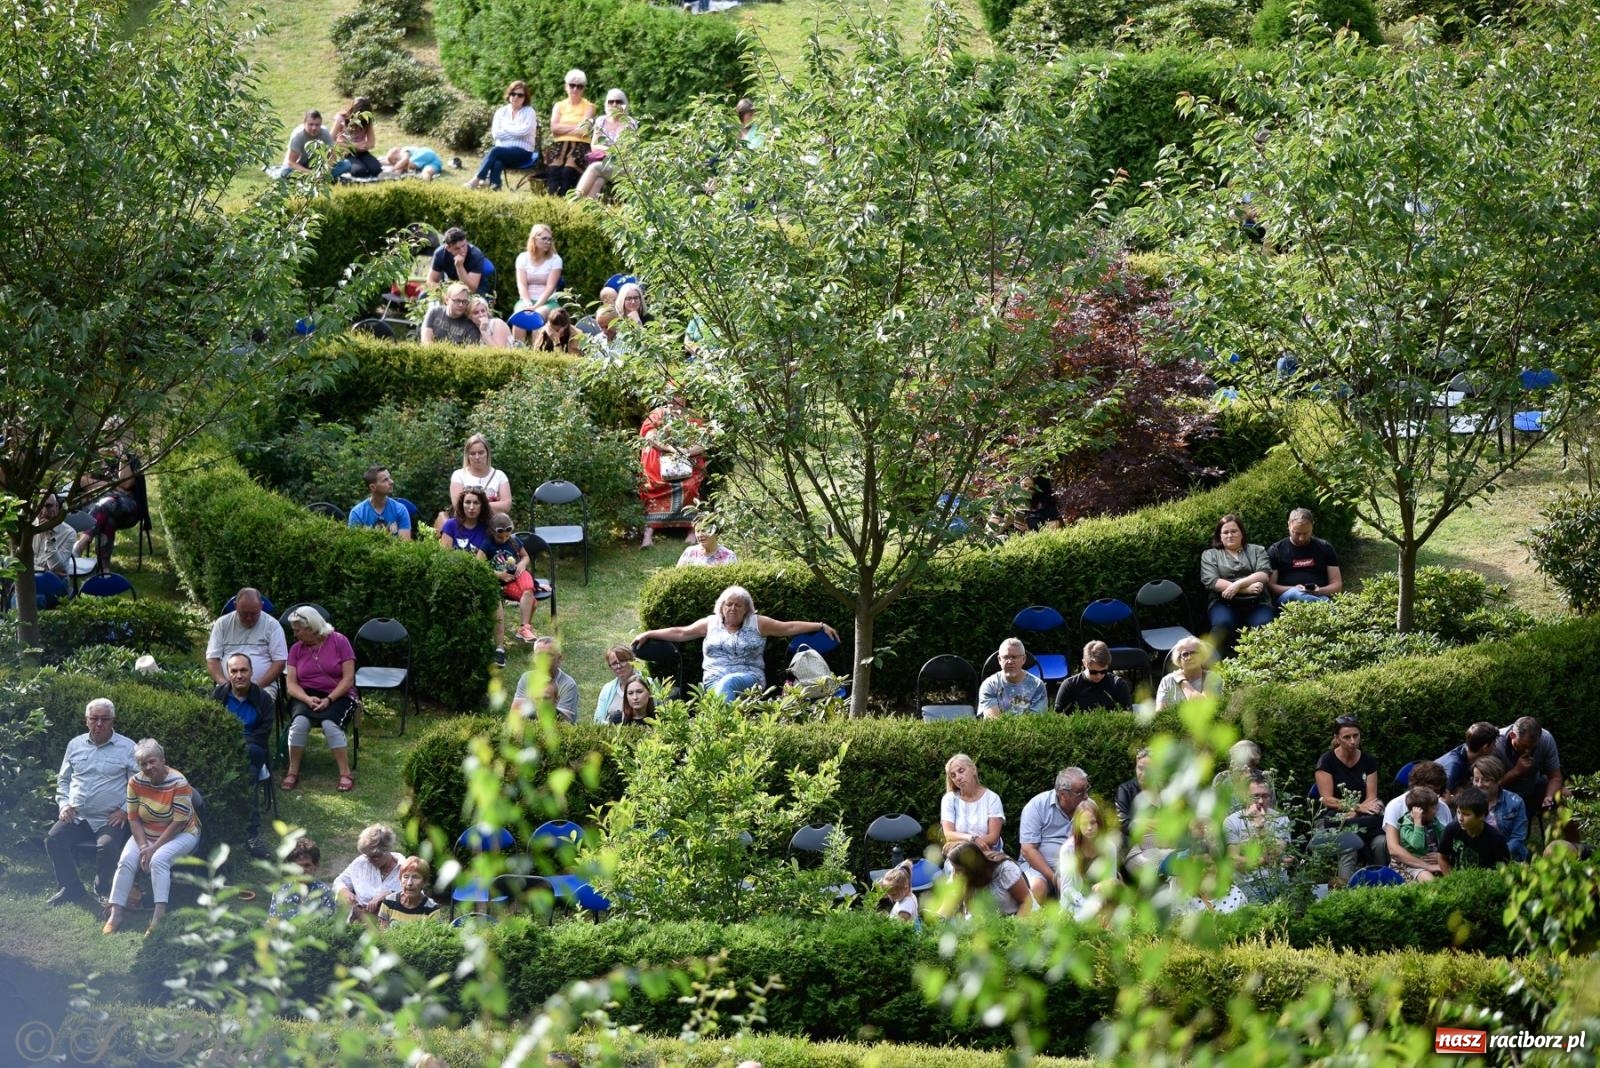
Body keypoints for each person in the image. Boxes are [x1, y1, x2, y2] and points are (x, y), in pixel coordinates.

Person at [633, 584, 839, 700]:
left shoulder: (757, 623)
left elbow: (787, 628)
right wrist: (650, 633)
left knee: (729, 683)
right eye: (728, 604)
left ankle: (724, 729)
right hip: (713, 681)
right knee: (723, 686)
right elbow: (681, 632)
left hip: (751, 679)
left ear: (747, 610)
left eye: (738, 605)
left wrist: (819, 625)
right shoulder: (710, 623)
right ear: (721, 607)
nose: (732, 608)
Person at [102, 739, 201, 935]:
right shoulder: (135, 782)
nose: (148, 767)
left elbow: (178, 822)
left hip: (182, 833)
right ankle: (116, 914)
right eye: (143, 764)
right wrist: (142, 847)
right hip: (146, 832)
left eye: (152, 761)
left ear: (163, 760)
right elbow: (133, 818)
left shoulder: (179, 782)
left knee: (159, 860)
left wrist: (153, 849)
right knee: (126, 861)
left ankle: (158, 917)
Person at [46, 699, 138, 907]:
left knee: (107, 846)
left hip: (109, 818)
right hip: (77, 816)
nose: (99, 724)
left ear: (113, 721)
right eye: (94, 718)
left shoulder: (128, 747)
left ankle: (102, 888)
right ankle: (71, 887)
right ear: (86, 720)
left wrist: (125, 810)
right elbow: (64, 780)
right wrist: (64, 804)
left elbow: (138, 785)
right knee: (53, 839)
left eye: (105, 719)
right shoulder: (75, 745)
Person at [938, 753, 1033, 916]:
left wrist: (967, 843)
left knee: (972, 875)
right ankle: (951, 918)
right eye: (953, 775)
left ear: (973, 769)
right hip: (959, 854)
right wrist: (972, 839)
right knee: (956, 869)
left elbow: (993, 837)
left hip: (989, 854)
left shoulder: (992, 798)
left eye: (961, 771)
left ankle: (972, 916)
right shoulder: (949, 799)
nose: (958, 777)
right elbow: (948, 834)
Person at [281, 606, 357, 794]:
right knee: (299, 723)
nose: (295, 634)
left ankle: (345, 773)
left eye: (298, 630)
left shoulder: (340, 641)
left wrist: (329, 699)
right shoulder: (296, 649)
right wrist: (307, 699)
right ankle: (292, 771)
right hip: (306, 695)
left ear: (312, 628)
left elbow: (348, 679)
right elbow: (291, 685)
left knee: (330, 724)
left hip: (338, 694)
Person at [213, 653, 274, 859]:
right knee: (248, 774)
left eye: (243, 670)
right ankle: (244, 833)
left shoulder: (263, 699)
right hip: (224, 748)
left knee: (248, 766)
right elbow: (209, 725)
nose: (239, 675)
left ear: (251, 672)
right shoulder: (218, 695)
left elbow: (264, 732)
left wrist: (239, 745)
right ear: (228, 673)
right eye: (234, 671)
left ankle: (249, 834)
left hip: (253, 748)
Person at [1312, 714, 1387, 883]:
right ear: (1337, 738)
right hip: (1333, 819)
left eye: (1356, 736)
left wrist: (1356, 812)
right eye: (1347, 737)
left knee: (1381, 842)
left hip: (1361, 818)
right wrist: (1356, 807)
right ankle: (1344, 890)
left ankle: (1382, 885)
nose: (1353, 741)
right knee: (1349, 845)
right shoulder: (1326, 761)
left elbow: (1372, 798)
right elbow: (1327, 799)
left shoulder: (1368, 761)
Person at [638, 402, 708, 548]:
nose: (676, 398)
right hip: (659, 464)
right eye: (673, 394)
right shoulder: (657, 414)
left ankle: (691, 529)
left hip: (687, 462)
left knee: (690, 486)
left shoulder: (693, 416)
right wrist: (671, 449)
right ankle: (648, 532)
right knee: (651, 484)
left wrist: (686, 452)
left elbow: (703, 442)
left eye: (679, 394)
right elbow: (650, 437)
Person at [1199, 513, 1274, 648]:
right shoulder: (1210, 555)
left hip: (1257, 602)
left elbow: (1264, 574)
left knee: (1263, 626)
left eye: (1234, 531)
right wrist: (1245, 590)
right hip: (1224, 602)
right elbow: (1211, 581)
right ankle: (1212, 660)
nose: (1230, 535)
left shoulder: (1257, 550)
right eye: (1225, 532)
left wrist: (1238, 584)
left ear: (1242, 533)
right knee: (1222, 625)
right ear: (1220, 536)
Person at [74, 441, 147, 571]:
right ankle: (104, 568)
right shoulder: (93, 458)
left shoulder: (130, 459)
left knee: (106, 504)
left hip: (127, 509)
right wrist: (112, 486)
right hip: (100, 509)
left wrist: (122, 458)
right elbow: (82, 481)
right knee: (106, 516)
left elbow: (126, 484)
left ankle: (81, 544)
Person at [1018, 767, 1089, 900]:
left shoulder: (1088, 807)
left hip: (1077, 867)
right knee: (1038, 887)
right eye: (1080, 792)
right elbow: (1028, 849)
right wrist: (1055, 878)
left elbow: (1098, 841)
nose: (1086, 796)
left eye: (1087, 789)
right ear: (1062, 794)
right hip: (1039, 868)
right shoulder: (1037, 806)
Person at [1222, 771, 1293, 902]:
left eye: (1265, 796)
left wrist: (1260, 828)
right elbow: (1235, 862)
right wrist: (1263, 860)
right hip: (1247, 883)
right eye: (1255, 796)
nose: (1261, 801)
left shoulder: (1281, 819)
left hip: (1277, 880)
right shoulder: (1232, 821)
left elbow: (1277, 852)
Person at [465, 80, 538, 191]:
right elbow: (496, 134)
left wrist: (506, 129)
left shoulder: (529, 112)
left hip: (523, 152)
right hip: (503, 152)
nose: (516, 97)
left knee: (496, 151)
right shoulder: (501, 112)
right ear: (509, 95)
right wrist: (515, 132)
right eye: (513, 94)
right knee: (497, 161)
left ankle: (477, 178)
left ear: (525, 97)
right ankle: (495, 187)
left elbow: (524, 131)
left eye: (520, 95)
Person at [1267, 507, 1344, 606]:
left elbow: (1337, 585)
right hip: (1287, 599)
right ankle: (1327, 607)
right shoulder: (1276, 550)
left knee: (1323, 598)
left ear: (1312, 526)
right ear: (1288, 525)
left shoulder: (1325, 548)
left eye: (1306, 533)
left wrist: (1319, 591)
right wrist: (1294, 589)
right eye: (1297, 533)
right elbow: (1271, 586)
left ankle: (1322, 604)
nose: (1301, 538)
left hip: (1319, 595)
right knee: (1295, 593)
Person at [1057, 800, 1119, 920]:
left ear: (1099, 823)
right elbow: (1067, 890)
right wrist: (1087, 905)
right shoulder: (1068, 850)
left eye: (1093, 823)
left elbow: (1111, 881)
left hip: (1101, 902)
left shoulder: (1109, 847)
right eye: (1084, 824)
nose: (1089, 828)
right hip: (1075, 906)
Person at [1115, 748, 1171, 877]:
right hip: (1135, 849)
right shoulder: (1125, 790)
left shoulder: (1164, 791)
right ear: (1136, 762)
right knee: (1157, 868)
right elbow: (1124, 824)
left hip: (1163, 846)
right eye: (1140, 768)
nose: (1144, 774)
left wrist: (1141, 822)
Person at [1492, 716, 1563, 817]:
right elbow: (1491, 786)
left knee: (1566, 796)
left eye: (1532, 747)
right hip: (1505, 793)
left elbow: (1555, 777)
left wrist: (1549, 796)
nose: (1527, 751)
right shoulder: (1496, 744)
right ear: (1512, 735)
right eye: (1523, 746)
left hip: (1533, 787)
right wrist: (1516, 771)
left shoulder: (1545, 739)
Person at [575, 89, 638, 200]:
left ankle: (574, 201)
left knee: (594, 168)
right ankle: (587, 209)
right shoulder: (601, 121)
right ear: (606, 104)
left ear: (625, 104)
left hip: (624, 167)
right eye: (611, 101)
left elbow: (625, 151)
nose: (614, 104)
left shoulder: (629, 123)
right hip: (605, 164)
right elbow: (594, 146)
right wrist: (612, 150)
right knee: (598, 180)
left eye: (618, 101)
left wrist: (605, 150)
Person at [487, 515, 540, 646]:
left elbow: (525, 557)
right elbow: (479, 565)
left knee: (528, 590)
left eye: (507, 536)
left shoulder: (514, 541)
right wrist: (498, 574)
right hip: (504, 581)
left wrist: (522, 564)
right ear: (492, 532)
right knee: (532, 601)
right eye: (500, 537)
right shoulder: (487, 544)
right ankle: (524, 629)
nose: (504, 539)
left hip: (519, 574)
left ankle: (524, 628)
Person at [336, 824, 404, 920]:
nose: (370, 860)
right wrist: (344, 891)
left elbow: (416, 898)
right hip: (360, 920)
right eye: (367, 856)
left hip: (392, 922)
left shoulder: (405, 868)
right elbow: (339, 881)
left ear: (387, 849)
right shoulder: (361, 863)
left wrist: (390, 894)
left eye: (375, 856)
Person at [1437, 786, 1511, 874]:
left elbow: (1504, 869)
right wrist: (1451, 878)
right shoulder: (1451, 829)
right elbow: (1442, 857)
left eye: (1466, 814)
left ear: (1481, 816)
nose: (1460, 818)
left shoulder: (1496, 839)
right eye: (1458, 812)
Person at [545, 69, 595, 197]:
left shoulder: (589, 107)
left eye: (579, 86)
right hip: (560, 145)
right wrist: (576, 127)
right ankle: (552, 200)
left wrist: (563, 128)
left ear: (583, 89)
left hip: (581, 145)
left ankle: (568, 202)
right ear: (566, 87)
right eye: (572, 85)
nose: (575, 89)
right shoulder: (559, 106)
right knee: (555, 169)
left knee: (568, 170)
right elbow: (554, 128)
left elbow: (584, 130)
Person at [1470, 754, 1529, 860]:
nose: (1479, 784)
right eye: (1476, 779)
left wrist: (1498, 854)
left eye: (1486, 780)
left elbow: (1518, 838)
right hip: (1477, 859)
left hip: (1510, 858)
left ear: (1499, 780)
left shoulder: (1515, 802)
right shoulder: (1467, 802)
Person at [446, 433, 514, 524]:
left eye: (481, 453)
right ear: (467, 455)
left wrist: (473, 504)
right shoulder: (458, 475)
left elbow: (506, 506)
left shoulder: (500, 476)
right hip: (466, 526)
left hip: (492, 526)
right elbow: (458, 506)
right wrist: (491, 504)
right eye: (472, 453)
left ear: (487, 453)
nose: (477, 457)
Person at [1381, 760, 1453, 842]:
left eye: (1436, 791)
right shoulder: (1395, 806)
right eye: (1428, 789)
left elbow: (1449, 841)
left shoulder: (1443, 808)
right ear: (1416, 785)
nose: (1431, 794)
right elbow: (1393, 846)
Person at [1386, 785, 1447, 883]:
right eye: (1433, 808)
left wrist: (1440, 856)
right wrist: (1418, 823)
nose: (1436, 811)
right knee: (1429, 880)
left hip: (1431, 861)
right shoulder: (1407, 826)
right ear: (1421, 812)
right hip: (1411, 865)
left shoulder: (1433, 820)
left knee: (1450, 874)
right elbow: (1418, 845)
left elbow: (1444, 837)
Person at [512, 637, 580, 722]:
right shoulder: (527, 678)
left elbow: (565, 721)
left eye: (549, 655)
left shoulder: (568, 684)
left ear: (559, 658)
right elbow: (515, 712)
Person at [1054, 641, 1133, 713]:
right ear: (1084, 663)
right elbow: (1058, 716)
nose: (1099, 676)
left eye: (1103, 671)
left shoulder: (1118, 684)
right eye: (1093, 672)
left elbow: (1128, 713)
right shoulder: (1069, 686)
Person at [269, 837, 337, 920]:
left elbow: (330, 923)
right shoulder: (280, 892)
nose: (302, 870)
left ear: (316, 866)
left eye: (307, 865)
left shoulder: (324, 893)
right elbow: (272, 921)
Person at [514, 224, 565, 335]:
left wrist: (536, 306)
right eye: (544, 238)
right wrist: (527, 303)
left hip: (548, 302)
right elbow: (521, 284)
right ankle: (518, 346)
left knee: (537, 316)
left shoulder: (556, 260)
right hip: (526, 300)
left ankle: (537, 346)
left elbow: (550, 288)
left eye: (549, 239)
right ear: (534, 239)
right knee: (519, 317)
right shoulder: (522, 258)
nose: (547, 242)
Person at [978, 638, 1048, 718]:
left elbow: (1036, 720)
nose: (1010, 661)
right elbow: (993, 720)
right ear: (999, 660)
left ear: (1023, 659)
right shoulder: (990, 685)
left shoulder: (1037, 685)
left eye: (1014, 657)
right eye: (1006, 657)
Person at [346, 465, 414, 540]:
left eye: (389, 478)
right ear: (373, 487)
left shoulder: (400, 509)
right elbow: (355, 544)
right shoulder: (357, 513)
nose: (391, 482)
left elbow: (405, 544)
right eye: (385, 480)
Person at [1154, 636, 1220, 711]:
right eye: (1185, 654)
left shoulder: (1213, 678)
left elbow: (1204, 708)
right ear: (1179, 660)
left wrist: (1182, 681)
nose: (1189, 657)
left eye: (1194, 653)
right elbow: (1160, 713)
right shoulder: (1167, 681)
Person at [1435, 721, 1501, 797]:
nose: (1495, 748)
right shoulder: (1454, 766)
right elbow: (1441, 798)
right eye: (1493, 744)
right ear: (1485, 747)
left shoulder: (1468, 753)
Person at [378, 856, 440, 926]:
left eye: (415, 877)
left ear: (424, 882)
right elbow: (383, 931)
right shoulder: (389, 902)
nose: (409, 883)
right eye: (406, 877)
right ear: (400, 880)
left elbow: (433, 932)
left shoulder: (432, 909)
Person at [330, 97, 381, 181]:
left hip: (361, 152)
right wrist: (355, 146)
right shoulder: (341, 118)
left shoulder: (367, 121)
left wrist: (349, 145)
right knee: (360, 171)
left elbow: (371, 144)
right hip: (346, 153)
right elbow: (330, 140)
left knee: (376, 169)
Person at [427, 227, 489, 293]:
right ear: (448, 248)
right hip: (450, 288)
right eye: (457, 248)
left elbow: (472, 289)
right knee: (424, 295)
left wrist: (459, 267)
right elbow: (430, 281)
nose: (462, 251)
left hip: (476, 290)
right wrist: (442, 294)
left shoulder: (476, 255)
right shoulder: (440, 253)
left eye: (464, 245)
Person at [273, 109, 333, 177]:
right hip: (298, 165)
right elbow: (291, 162)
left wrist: (326, 171)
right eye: (311, 124)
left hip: (315, 164)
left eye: (317, 125)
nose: (314, 128)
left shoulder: (325, 132)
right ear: (304, 124)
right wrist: (312, 173)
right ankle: (273, 171)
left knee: (343, 165)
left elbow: (332, 156)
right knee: (284, 173)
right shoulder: (298, 135)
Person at [30, 492, 76, 576]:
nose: (44, 511)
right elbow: (20, 562)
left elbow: (55, 567)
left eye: (48, 506)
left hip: (53, 580)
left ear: (57, 506)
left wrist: (49, 538)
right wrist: (44, 570)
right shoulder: (30, 526)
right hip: (31, 576)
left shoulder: (69, 533)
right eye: (40, 506)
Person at [593, 644, 641, 723]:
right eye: (614, 663)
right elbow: (598, 720)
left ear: (632, 661)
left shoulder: (648, 684)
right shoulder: (607, 689)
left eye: (622, 661)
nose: (619, 666)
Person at [439, 487, 492, 558]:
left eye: (476, 503)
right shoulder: (450, 525)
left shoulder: (487, 529)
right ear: (462, 505)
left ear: (482, 506)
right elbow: (444, 557)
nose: (471, 507)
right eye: (468, 502)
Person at [878, 859, 919, 923]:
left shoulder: (904, 910)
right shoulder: (909, 896)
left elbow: (900, 928)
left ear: (905, 888)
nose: (889, 896)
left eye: (893, 894)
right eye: (888, 893)